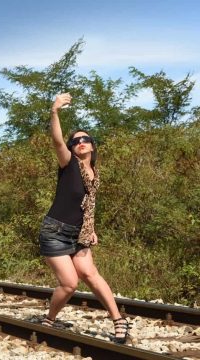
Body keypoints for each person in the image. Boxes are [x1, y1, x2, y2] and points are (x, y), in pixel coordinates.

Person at [37, 93, 130, 344]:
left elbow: (88, 204)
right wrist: (54, 111)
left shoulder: (94, 173)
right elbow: (57, 142)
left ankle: (119, 320)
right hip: (55, 232)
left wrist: (92, 228)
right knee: (69, 284)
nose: (80, 142)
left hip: (79, 233)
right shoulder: (69, 164)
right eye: (75, 140)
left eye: (85, 139)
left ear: (92, 145)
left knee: (91, 274)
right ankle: (50, 319)